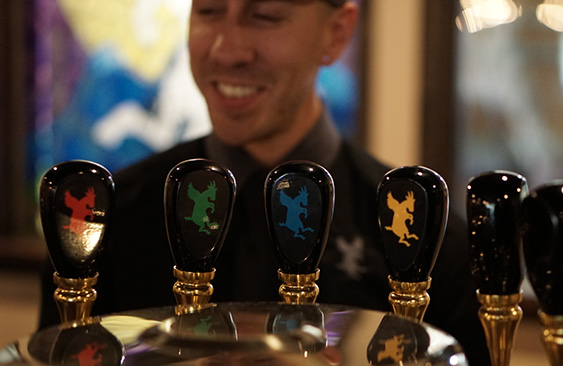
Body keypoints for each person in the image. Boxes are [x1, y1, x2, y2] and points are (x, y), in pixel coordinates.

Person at [39, 0, 490, 364]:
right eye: (209, 11)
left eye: (265, 16)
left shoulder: (425, 241)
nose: (228, 50)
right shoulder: (102, 222)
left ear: (336, 32)